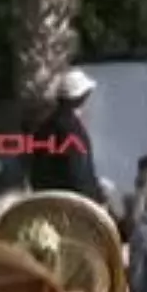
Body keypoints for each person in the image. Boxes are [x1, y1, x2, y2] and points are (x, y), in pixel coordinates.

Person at [28, 68, 104, 203]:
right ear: (82, 97)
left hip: (45, 202)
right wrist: (97, 199)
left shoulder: (44, 127)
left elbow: (36, 171)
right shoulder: (73, 130)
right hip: (72, 205)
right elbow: (79, 175)